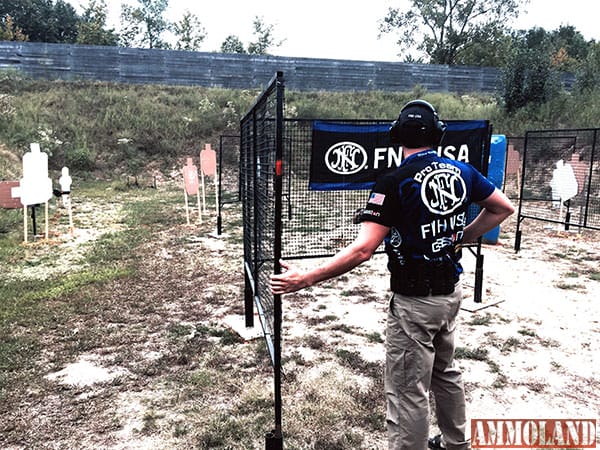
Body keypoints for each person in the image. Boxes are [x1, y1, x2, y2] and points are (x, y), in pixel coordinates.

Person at [270, 100, 515, 450]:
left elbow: (362, 249)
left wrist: (307, 278)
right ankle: (455, 443)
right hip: (450, 294)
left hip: (415, 302)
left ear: (397, 136)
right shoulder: (463, 171)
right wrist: (462, 236)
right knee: (445, 372)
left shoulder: (394, 181)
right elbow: (502, 208)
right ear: (438, 135)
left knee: (406, 389)